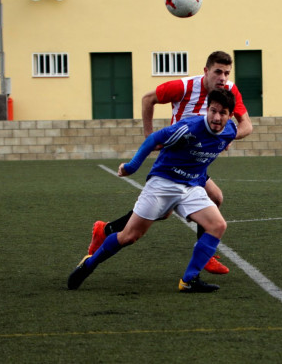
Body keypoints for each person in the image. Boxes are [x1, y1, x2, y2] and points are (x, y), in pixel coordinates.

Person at [88, 51, 252, 274]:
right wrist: (150, 138)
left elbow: (247, 125)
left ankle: (205, 255)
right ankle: (106, 230)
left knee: (212, 199)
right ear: (206, 71)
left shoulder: (229, 91)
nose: (223, 78)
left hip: (197, 162)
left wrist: (226, 135)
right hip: (175, 158)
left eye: (226, 73)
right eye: (218, 72)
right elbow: (148, 99)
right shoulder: (184, 87)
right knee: (176, 208)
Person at [68, 89, 237, 293]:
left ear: (230, 116)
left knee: (218, 225)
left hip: (191, 186)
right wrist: (131, 166)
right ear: (207, 110)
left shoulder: (230, 131)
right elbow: (153, 139)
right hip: (163, 183)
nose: (217, 117)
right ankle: (89, 264)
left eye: (223, 113)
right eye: (213, 111)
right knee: (129, 236)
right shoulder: (189, 127)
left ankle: (189, 280)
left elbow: (220, 143)